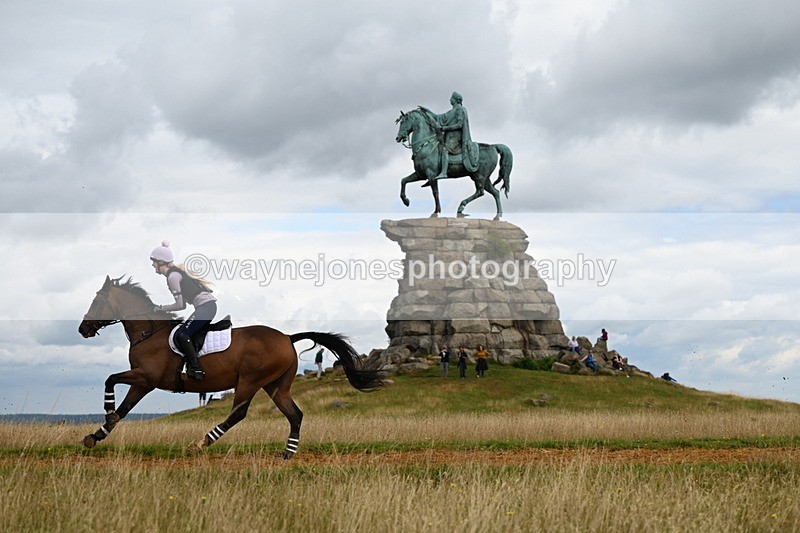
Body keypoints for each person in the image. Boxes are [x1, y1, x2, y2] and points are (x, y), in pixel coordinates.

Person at [150, 240, 216, 381]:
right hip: (207, 307)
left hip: (206, 308)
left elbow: (180, 306)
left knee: (182, 334)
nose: (152, 265)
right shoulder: (174, 274)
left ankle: (196, 369)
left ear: (161, 262)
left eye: (154, 261)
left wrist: (159, 308)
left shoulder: (173, 277)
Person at [423, 91, 479, 186]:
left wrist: (445, 128)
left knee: (444, 149)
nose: (450, 99)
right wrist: (427, 111)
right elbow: (438, 117)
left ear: (456, 99)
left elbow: (460, 124)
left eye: (451, 98)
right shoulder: (451, 111)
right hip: (449, 136)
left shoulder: (460, 110)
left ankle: (444, 172)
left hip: (456, 138)